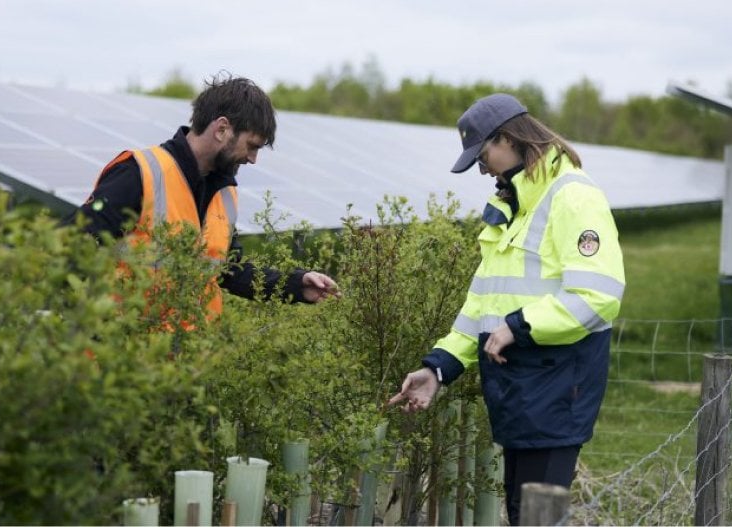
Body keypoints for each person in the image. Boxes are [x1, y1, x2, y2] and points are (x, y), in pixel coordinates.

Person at [388, 93, 625, 525]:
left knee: (536, 518)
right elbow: (482, 306)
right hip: (520, 394)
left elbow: (598, 295)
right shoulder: (512, 209)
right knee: (522, 515)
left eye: (482, 156)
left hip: (556, 390)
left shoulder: (573, 196)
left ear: (508, 138)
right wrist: (439, 367)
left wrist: (519, 326)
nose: (482, 169)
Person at [67, 73, 339, 317]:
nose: (253, 159)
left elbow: (229, 271)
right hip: (121, 360)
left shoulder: (225, 192)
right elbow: (73, 248)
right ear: (221, 129)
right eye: (251, 145)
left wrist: (297, 285)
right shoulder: (139, 173)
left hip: (184, 363)